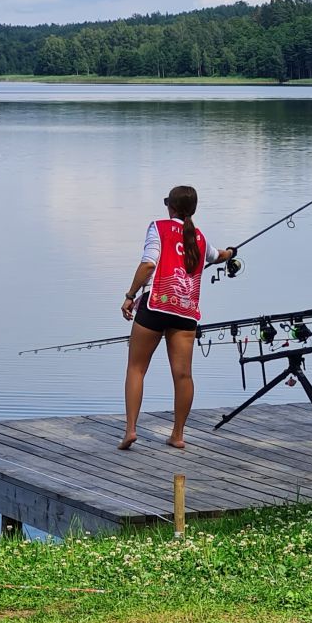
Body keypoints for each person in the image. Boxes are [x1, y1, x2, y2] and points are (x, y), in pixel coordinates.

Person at [119, 186, 236, 450]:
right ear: (192, 209)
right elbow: (217, 256)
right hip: (185, 312)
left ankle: (130, 431)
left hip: (156, 306)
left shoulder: (158, 227)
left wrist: (130, 295)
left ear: (170, 206)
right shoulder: (199, 237)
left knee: (136, 368)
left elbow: (149, 264)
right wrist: (231, 253)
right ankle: (178, 435)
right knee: (183, 375)